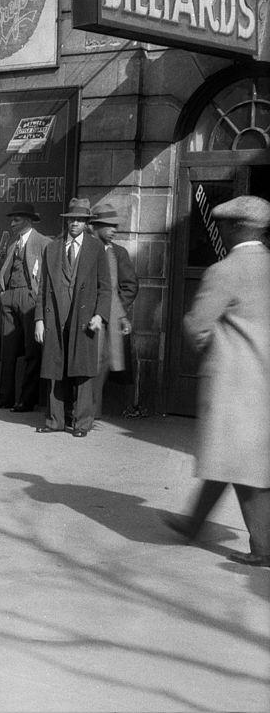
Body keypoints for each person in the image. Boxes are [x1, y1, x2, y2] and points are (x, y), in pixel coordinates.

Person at [165, 195, 270, 567]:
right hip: (264, 382)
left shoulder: (224, 270)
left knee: (236, 459)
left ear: (237, 227)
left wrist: (212, 351)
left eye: (223, 225)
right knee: (236, 458)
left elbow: (196, 326)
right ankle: (192, 525)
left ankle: (263, 548)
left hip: (235, 383)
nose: (220, 232)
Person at [34, 197, 111, 438]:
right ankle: (55, 420)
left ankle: (82, 423)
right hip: (56, 316)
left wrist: (100, 315)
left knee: (82, 372)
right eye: (71, 219)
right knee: (54, 368)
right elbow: (44, 287)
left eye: (79, 220)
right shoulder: (53, 247)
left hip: (84, 317)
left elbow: (105, 287)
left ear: (87, 222)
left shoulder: (96, 248)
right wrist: (39, 319)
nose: (74, 223)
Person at [0, 202, 51, 412]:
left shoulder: (43, 242)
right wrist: (4, 294)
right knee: (8, 349)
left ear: (28, 220)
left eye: (16, 219)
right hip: (9, 298)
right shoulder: (12, 243)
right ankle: (4, 397)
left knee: (32, 351)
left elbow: (47, 275)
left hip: (29, 297)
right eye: (12, 219)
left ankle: (27, 400)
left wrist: (36, 297)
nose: (12, 223)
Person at [86, 203, 139, 419]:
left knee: (101, 363)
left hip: (108, 321)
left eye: (115, 226)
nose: (114, 230)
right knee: (86, 363)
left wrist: (118, 309)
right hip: (86, 316)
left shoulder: (118, 253)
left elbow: (130, 285)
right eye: (108, 226)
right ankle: (83, 410)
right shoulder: (86, 250)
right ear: (95, 227)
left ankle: (92, 412)